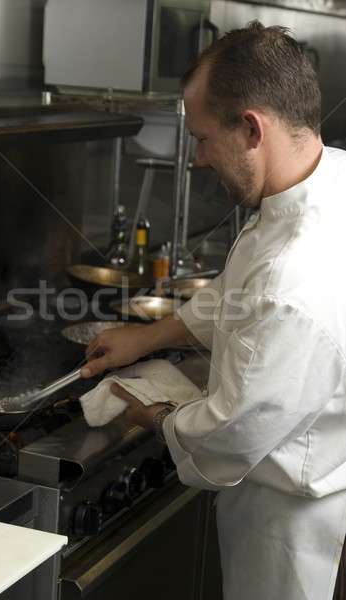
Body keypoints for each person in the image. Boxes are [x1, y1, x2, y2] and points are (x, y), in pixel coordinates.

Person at [81, 21, 346, 600]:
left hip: (290, 534)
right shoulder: (326, 180)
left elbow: (230, 432)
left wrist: (148, 415)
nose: (198, 158)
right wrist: (147, 338)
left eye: (201, 138)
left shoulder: (293, 280)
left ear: (252, 128)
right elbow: (234, 293)